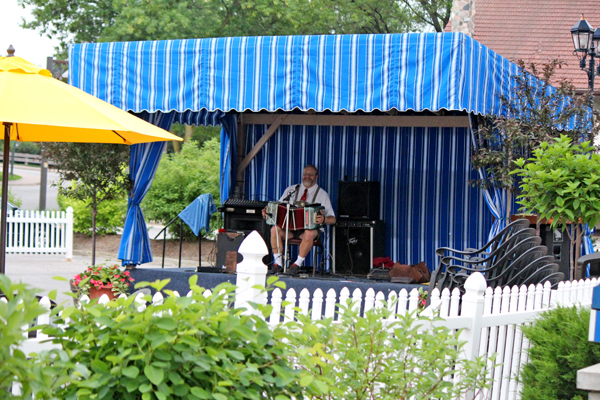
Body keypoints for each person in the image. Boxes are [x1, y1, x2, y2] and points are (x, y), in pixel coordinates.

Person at [263, 165, 336, 276]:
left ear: (317, 177)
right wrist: (267, 211)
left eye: (310, 175)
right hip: (290, 230)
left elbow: (333, 219)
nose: (307, 177)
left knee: (309, 233)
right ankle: (278, 264)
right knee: (274, 229)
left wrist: (324, 219)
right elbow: (277, 207)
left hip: (308, 232)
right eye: (305, 174)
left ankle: (297, 265)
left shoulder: (322, 194)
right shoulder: (291, 190)